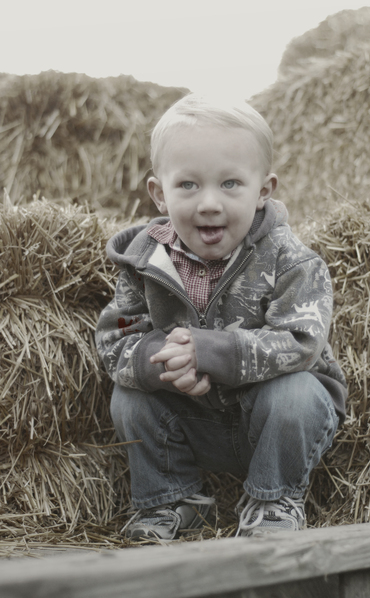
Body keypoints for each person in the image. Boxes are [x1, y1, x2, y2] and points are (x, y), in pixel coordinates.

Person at [95, 93, 347, 541]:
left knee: (298, 395)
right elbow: (115, 341)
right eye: (188, 185)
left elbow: (301, 341)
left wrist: (212, 352)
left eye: (230, 184)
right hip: (194, 418)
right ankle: (173, 499)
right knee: (128, 397)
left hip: (270, 421)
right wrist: (164, 363)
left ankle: (274, 500)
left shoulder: (291, 260)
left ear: (263, 190)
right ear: (158, 193)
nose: (209, 203)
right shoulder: (144, 263)